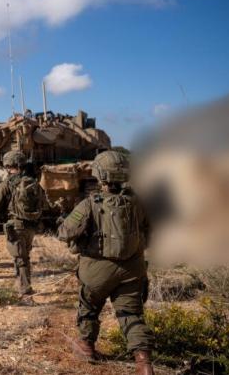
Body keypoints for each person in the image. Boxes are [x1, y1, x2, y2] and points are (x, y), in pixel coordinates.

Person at [58, 150, 155, 375]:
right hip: (132, 268)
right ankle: (143, 362)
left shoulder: (90, 204)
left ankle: (86, 347)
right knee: (131, 314)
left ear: (100, 175)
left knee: (89, 307)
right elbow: (148, 233)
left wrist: (64, 219)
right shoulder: (137, 202)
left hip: (97, 270)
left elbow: (65, 232)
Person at [0, 150, 46, 298]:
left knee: (20, 258)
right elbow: (44, 203)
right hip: (31, 226)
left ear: (7, 165)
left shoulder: (6, 184)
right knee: (24, 256)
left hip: (15, 225)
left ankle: (25, 291)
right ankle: (22, 283)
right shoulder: (33, 182)